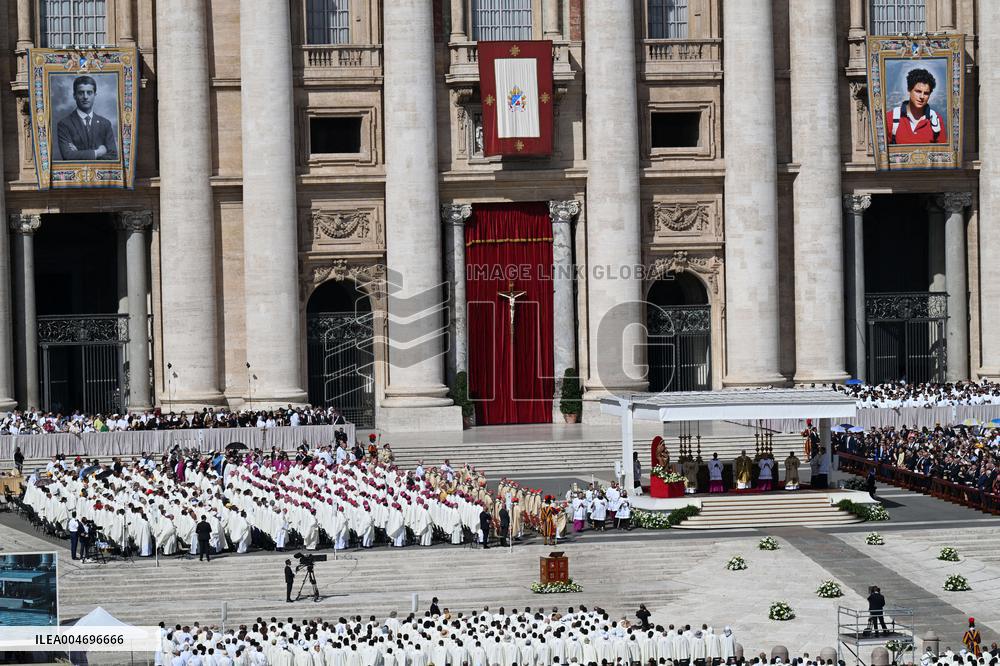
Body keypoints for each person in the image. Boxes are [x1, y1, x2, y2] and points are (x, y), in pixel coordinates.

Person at [56, 75, 119, 161]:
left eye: (89, 92)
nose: (85, 97)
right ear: (74, 95)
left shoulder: (105, 124)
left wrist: (78, 154)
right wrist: (98, 152)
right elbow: (68, 156)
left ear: (95, 95)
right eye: (81, 93)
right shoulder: (64, 124)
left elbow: (113, 156)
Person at [886, 68, 945, 145]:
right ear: (909, 90)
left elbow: (942, 150)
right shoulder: (890, 118)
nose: (922, 97)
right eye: (918, 91)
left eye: (926, 93)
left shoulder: (936, 120)